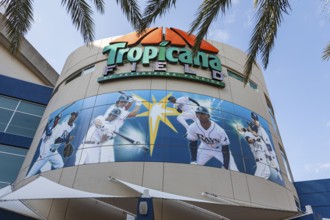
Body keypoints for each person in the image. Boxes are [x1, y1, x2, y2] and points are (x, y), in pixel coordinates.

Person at [26, 112, 78, 178]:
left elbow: (68, 132)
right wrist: (67, 139)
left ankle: (52, 177)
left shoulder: (71, 125)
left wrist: (67, 143)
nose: (74, 117)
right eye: (73, 116)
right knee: (31, 175)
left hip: (53, 152)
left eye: (75, 116)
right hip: (45, 153)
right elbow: (57, 140)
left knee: (60, 164)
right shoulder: (58, 128)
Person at [187, 106, 238, 170]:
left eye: (202, 114)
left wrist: (225, 165)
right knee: (194, 166)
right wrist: (193, 160)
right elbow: (192, 143)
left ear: (208, 116)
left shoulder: (219, 130)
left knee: (234, 170)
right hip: (204, 147)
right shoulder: (192, 127)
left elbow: (225, 148)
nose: (200, 116)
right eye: (198, 114)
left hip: (219, 148)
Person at [250, 112, 282, 179]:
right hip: (266, 159)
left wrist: (271, 160)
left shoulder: (261, 131)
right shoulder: (257, 131)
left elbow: (268, 147)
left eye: (254, 119)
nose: (253, 120)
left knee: (274, 175)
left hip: (271, 160)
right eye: (253, 119)